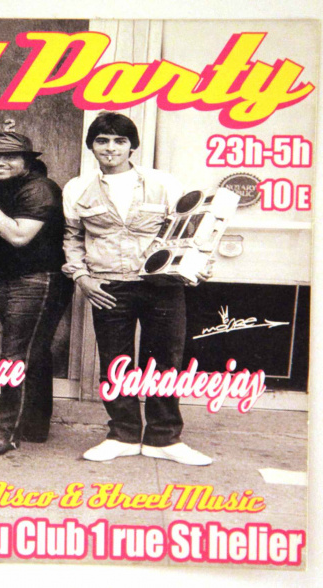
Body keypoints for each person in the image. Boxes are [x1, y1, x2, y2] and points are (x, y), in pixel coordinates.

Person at [62, 111, 212, 466]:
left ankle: (164, 438)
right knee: (116, 363)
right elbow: (72, 238)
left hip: (162, 284)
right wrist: (82, 278)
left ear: (132, 147)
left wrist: (199, 264)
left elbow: (189, 230)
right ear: (92, 146)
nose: (110, 148)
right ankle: (123, 435)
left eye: (120, 141)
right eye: (102, 141)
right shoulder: (77, 188)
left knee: (165, 362)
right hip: (108, 285)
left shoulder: (163, 183)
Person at [0, 132, 74, 457]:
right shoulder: (3, 189)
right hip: (17, 279)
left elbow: (19, 236)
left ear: (27, 161)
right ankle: (34, 426)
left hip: (38, 280)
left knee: (15, 356)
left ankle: (4, 432)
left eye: (9, 157)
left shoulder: (39, 188)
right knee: (32, 353)